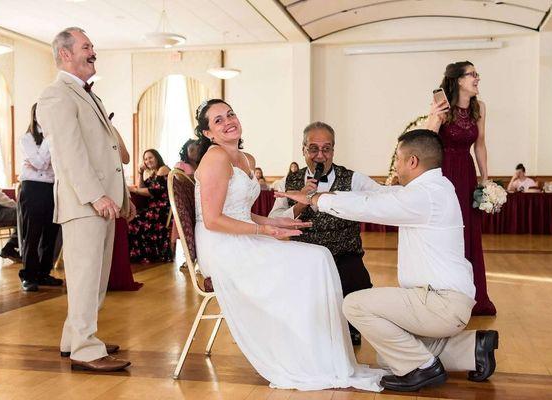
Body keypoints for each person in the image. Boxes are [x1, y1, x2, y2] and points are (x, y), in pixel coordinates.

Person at [279, 129, 499, 392]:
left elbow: (370, 206)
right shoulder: (433, 188)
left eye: (398, 158)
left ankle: (424, 369)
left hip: (440, 303)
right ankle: (473, 348)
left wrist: (315, 198)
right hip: (439, 300)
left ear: (412, 161)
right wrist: (316, 198)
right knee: (389, 356)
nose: (395, 165)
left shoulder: (424, 195)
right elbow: (378, 197)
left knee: (355, 305)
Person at [193, 99, 383, 391]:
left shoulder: (247, 159)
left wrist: (279, 223)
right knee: (311, 262)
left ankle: (325, 355)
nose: (228, 121)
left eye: (230, 114)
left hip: (242, 232)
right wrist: (265, 229)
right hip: (222, 244)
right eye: (217, 120)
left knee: (319, 256)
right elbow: (214, 220)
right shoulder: (215, 158)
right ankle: (301, 356)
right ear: (208, 133)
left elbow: (240, 212)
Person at [37, 27, 134, 372]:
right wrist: (96, 196)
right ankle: (85, 350)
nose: (93, 52)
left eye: (92, 46)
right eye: (86, 47)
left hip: (102, 200)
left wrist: (121, 196)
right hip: (85, 204)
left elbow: (106, 152)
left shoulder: (88, 94)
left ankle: (74, 338)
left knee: (93, 277)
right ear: (65, 53)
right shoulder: (56, 95)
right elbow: (70, 154)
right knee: (85, 277)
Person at [269, 121, 378, 346]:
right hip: (306, 257)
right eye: (313, 148)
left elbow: (380, 197)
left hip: (345, 254)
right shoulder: (286, 182)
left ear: (333, 151)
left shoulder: (354, 179)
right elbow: (273, 222)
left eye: (326, 149)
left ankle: (352, 326)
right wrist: (300, 201)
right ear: (303, 150)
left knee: (361, 289)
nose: (320, 155)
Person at [425, 61, 496, 316]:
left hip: (466, 173)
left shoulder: (480, 108)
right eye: (472, 74)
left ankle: (474, 296)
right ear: (458, 80)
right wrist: (435, 117)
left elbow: (480, 145)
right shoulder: (442, 106)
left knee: (470, 230)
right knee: (447, 230)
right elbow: (428, 140)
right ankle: (444, 295)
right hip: (444, 174)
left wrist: (486, 180)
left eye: (477, 73)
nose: (477, 78)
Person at [17, 104, 62, 292]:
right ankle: (29, 276)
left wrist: (43, 159)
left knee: (51, 233)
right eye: (40, 112)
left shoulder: (58, 137)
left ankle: (44, 273)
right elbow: (41, 164)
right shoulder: (26, 138)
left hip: (53, 188)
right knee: (33, 233)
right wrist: (49, 140)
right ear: (34, 116)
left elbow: (50, 164)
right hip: (33, 188)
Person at [128, 149, 172, 263]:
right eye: (145, 159)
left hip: (162, 210)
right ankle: (143, 254)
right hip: (154, 209)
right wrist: (140, 173)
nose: (148, 161)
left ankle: (143, 255)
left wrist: (135, 190)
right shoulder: (154, 173)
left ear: (157, 157)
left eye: (150, 157)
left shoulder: (163, 169)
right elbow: (142, 187)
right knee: (132, 217)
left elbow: (153, 191)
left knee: (134, 220)